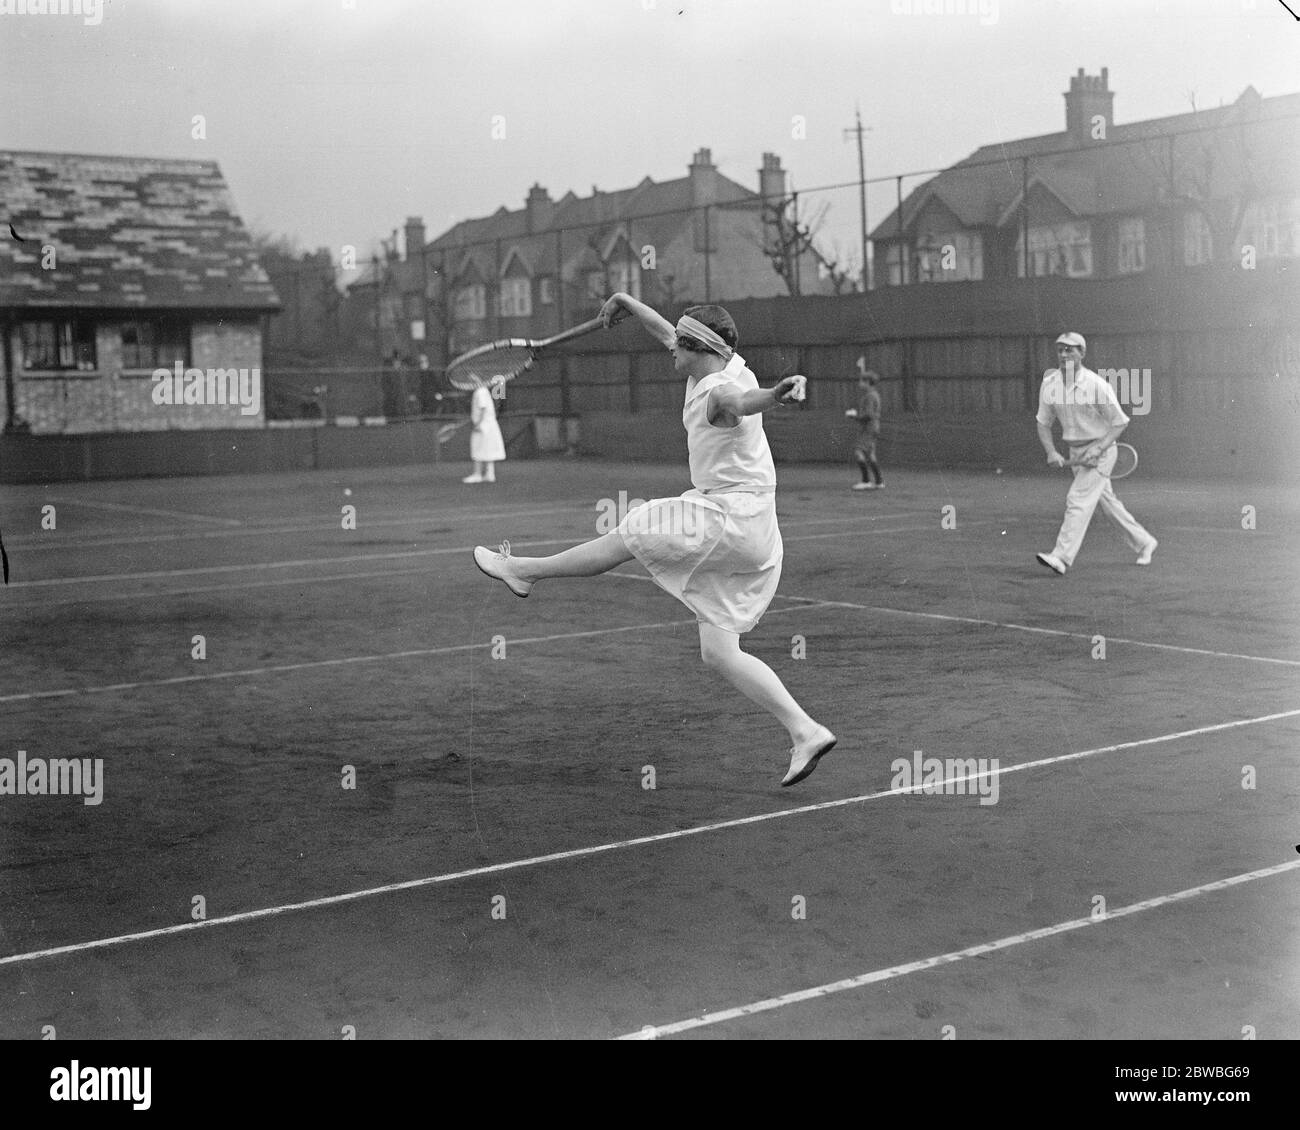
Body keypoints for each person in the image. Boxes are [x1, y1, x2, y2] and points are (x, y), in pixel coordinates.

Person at [472, 293, 837, 787]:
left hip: (729, 516)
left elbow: (742, 403)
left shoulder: (718, 393)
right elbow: (668, 332)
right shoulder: (716, 365)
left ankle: (523, 571)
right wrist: (627, 302)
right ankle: (806, 731)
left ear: (698, 348)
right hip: (754, 530)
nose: (669, 348)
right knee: (719, 652)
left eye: (678, 344)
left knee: (632, 530)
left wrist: (776, 394)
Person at [1035, 331, 1157, 574]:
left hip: (1101, 451)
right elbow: (1043, 422)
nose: (1064, 354)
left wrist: (1099, 448)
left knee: (1077, 500)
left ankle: (1061, 557)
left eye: (1070, 349)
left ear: (1082, 353)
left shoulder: (1097, 385)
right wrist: (1051, 451)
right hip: (1076, 451)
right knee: (1108, 503)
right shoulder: (1049, 385)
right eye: (1060, 350)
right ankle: (1145, 542)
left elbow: (1120, 422)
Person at [845, 370, 884, 490]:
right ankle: (878, 481)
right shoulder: (875, 395)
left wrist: (854, 416)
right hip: (874, 426)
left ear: (868, 382)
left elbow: (868, 414)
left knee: (858, 451)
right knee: (870, 453)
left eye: (861, 381)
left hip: (869, 427)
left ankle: (866, 480)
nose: (859, 383)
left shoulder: (869, 396)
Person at [463, 376, 506, 484]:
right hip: (488, 425)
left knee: (478, 448)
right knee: (487, 449)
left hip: (483, 426)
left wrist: (477, 424)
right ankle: (490, 474)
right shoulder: (483, 391)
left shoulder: (480, 392)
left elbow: (483, 408)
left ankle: (477, 474)